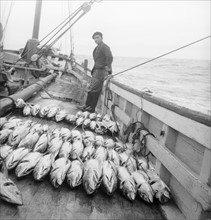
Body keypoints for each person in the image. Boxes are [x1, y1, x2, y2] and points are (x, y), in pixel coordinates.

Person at [78, 31, 113, 113]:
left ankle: (91, 108)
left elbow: (109, 57)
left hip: (101, 71)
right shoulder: (96, 48)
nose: (96, 39)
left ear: (102, 38)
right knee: (91, 88)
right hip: (96, 71)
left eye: (98, 37)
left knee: (95, 89)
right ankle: (87, 105)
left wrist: (109, 69)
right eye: (94, 38)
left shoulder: (105, 47)